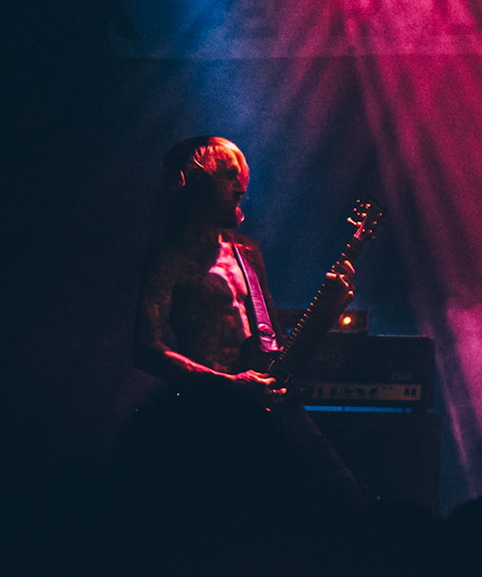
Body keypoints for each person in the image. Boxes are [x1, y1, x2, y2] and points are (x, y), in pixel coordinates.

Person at [123, 134, 357, 522]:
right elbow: (145, 348)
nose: (241, 186)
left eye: (242, 177)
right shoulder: (169, 258)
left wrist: (327, 314)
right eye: (230, 176)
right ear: (198, 182)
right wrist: (230, 385)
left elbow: (275, 348)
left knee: (344, 501)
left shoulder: (246, 252)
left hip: (269, 408)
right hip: (206, 416)